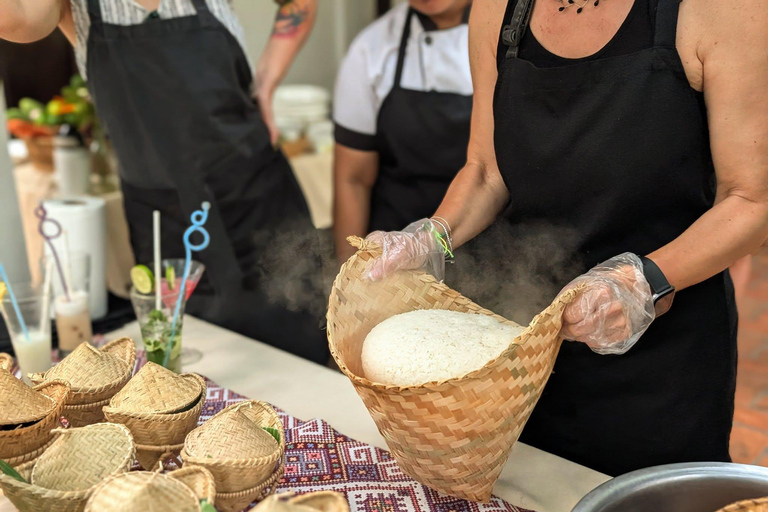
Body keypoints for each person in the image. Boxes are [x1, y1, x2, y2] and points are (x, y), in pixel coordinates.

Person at [362, 0, 768, 476]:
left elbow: (751, 200)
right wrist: (435, 236)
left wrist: (645, 281)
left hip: (660, 365)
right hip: (522, 351)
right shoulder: (497, 10)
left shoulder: (723, 10)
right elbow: (486, 170)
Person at [0, 0, 329, 364]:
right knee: (198, 369)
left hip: (257, 199)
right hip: (166, 224)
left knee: (302, 353)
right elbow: (16, 22)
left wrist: (265, 85)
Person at [332, 0, 472, 263]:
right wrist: (346, 280)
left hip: (493, 250)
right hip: (393, 255)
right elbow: (353, 180)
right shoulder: (371, 49)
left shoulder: (513, 40)